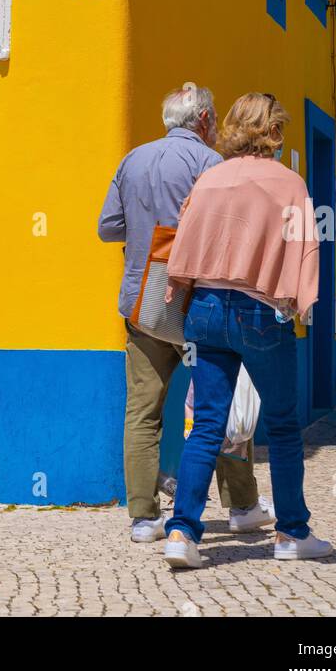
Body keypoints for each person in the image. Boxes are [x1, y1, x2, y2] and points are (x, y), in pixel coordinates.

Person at [162, 92, 334, 569]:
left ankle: (181, 533)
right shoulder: (289, 183)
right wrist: (301, 302)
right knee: (281, 425)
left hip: (205, 308)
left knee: (207, 424)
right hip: (260, 311)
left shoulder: (209, 178)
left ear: (234, 126)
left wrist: (182, 287)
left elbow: (185, 237)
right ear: (274, 132)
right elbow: (305, 247)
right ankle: (291, 533)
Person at [98, 83, 274, 543]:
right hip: (199, 303)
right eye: (213, 119)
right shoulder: (209, 164)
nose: (216, 127)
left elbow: (107, 228)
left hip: (143, 304)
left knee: (142, 411)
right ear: (202, 121)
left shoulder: (131, 159)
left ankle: (142, 517)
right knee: (216, 405)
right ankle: (240, 505)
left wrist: (146, 233)